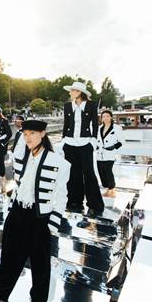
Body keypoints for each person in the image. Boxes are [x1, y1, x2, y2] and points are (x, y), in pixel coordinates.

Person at [0, 119, 70, 302]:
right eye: (25, 133)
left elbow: (61, 195)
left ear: (43, 134)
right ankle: (1, 294)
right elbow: (17, 149)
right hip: (18, 210)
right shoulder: (22, 155)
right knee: (9, 255)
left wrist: (52, 224)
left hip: (40, 216)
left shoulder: (59, 162)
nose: (28, 137)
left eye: (32, 133)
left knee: (40, 262)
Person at [60, 82, 104, 217]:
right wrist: (63, 140)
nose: (70, 93)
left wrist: (93, 141)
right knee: (72, 173)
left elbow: (95, 124)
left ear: (79, 92)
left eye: (72, 90)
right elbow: (66, 124)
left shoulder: (91, 105)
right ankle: (74, 202)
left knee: (89, 173)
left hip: (86, 143)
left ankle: (95, 205)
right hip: (70, 143)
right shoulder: (68, 106)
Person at [96, 110, 123, 198]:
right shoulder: (99, 128)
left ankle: (111, 190)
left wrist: (114, 146)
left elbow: (121, 141)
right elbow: (96, 140)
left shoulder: (117, 128)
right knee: (101, 172)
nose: (105, 118)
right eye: (103, 116)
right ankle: (107, 187)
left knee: (108, 171)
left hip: (110, 154)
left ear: (111, 117)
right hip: (99, 154)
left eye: (107, 116)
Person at [11, 115, 27, 184]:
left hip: (21, 162)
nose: (14, 122)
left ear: (21, 122)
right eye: (14, 121)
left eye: (16, 121)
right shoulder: (18, 132)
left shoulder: (24, 133)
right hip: (15, 161)